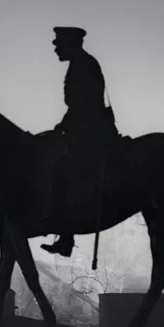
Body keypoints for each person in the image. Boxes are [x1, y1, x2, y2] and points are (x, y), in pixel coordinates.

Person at [39, 27, 119, 257]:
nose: (55, 48)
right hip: (84, 129)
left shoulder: (83, 66)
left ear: (70, 43)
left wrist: (62, 129)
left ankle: (66, 238)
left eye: (58, 43)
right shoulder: (81, 64)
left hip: (91, 134)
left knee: (61, 171)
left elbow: (84, 106)